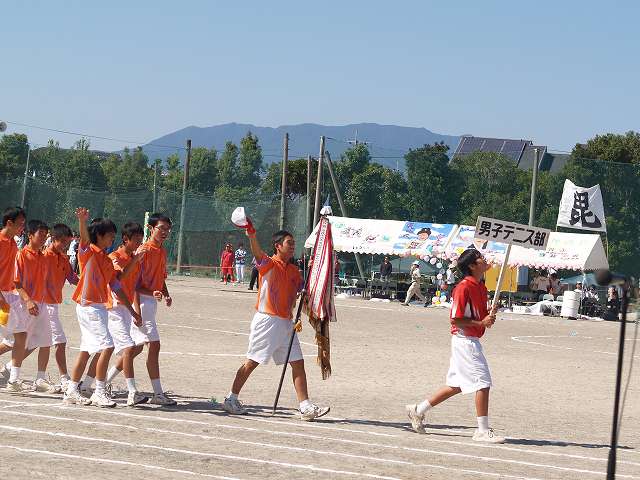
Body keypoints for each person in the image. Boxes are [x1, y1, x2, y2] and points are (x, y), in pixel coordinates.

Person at [221, 228, 330, 421]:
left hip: (287, 322)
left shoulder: (294, 270)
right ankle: (231, 398)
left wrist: (314, 273)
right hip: (268, 320)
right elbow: (256, 252)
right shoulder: (268, 263)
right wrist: (252, 234)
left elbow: (302, 289)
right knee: (252, 362)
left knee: (297, 362)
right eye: (289, 243)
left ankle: (305, 406)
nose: (292, 246)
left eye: (293, 243)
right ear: (278, 246)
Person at [406, 248, 505, 443]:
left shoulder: (481, 287)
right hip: (464, 340)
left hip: (470, 339)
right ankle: (482, 431)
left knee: (456, 385)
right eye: (480, 259)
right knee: (483, 382)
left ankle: (418, 410)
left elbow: (479, 316)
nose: (485, 261)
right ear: (471, 265)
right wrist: (481, 323)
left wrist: (489, 315)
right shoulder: (463, 287)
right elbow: (456, 320)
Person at [63, 209, 142, 407]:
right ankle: (99, 391)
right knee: (107, 346)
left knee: (88, 350)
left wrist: (132, 311)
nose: (111, 240)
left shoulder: (107, 261)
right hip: (88, 306)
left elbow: (117, 287)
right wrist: (82, 221)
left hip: (98, 307)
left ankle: (72, 390)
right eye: (109, 236)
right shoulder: (88, 252)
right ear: (98, 235)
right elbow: (83, 239)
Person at [102, 222, 149, 407]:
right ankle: (132, 392)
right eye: (136, 240)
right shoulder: (114, 256)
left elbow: (135, 287)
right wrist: (135, 261)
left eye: (140, 239)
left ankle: (103, 381)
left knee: (137, 346)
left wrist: (136, 311)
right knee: (126, 349)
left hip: (127, 308)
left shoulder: (133, 258)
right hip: (114, 308)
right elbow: (118, 280)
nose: (139, 243)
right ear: (125, 239)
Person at [4, 219, 52, 392]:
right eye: (40, 234)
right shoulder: (21, 254)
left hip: (41, 303)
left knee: (46, 340)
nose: (44, 238)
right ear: (30, 235)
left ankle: (39, 380)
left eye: (46, 235)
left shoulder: (44, 256)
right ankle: (12, 378)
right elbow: (16, 282)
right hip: (24, 303)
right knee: (14, 341)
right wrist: (28, 300)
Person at [42, 223, 79, 391]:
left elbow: (73, 278)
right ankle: (65, 379)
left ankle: (10, 369)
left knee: (28, 343)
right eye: (63, 241)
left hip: (52, 305)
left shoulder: (64, 258)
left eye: (67, 242)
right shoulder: (43, 256)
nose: (65, 245)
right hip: (43, 305)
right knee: (60, 342)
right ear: (54, 239)